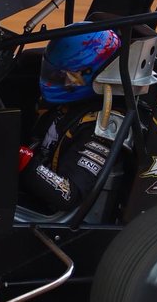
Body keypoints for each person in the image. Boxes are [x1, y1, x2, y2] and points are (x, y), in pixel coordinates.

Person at [19, 26, 122, 213]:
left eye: (63, 76)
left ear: (91, 74)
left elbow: (68, 194)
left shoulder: (101, 127)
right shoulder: (67, 102)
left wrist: (22, 160)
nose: (51, 81)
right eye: (50, 71)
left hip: (51, 212)